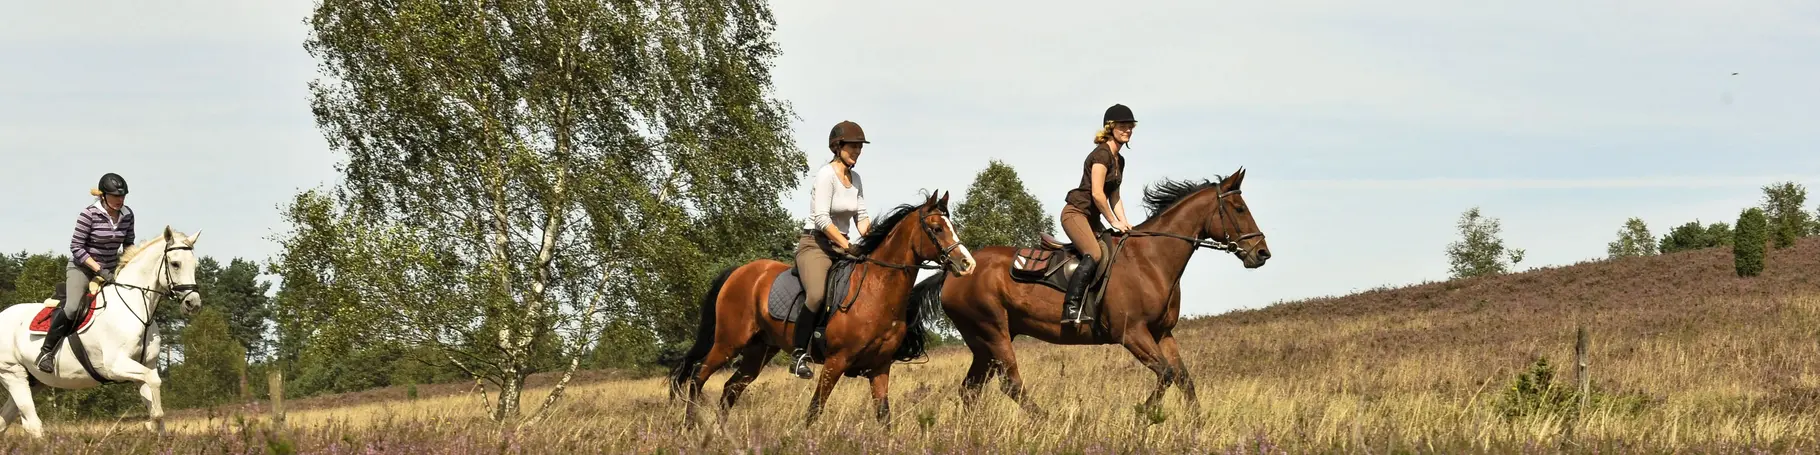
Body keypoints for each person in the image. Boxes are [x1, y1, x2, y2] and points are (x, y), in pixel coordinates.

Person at [789, 120, 872, 379]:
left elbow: (862, 217)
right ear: (837, 147)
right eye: (853, 146)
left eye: (860, 147)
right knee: (816, 294)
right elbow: (823, 220)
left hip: (842, 246)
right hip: (816, 245)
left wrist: (875, 239)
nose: (857, 151)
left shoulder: (856, 178)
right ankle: (799, 354)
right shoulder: (826, 175)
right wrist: (848, 245)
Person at [40, 173, 136, 373]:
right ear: (103, 196)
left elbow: (128, 245)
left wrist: (127, 267)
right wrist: (99, 269)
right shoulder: (89, 214)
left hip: (110, 270)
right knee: (73, 307)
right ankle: (46, 352)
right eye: (115, 196)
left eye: (123, 196)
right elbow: (76, 247)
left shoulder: (128, 215)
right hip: (82, 268)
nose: (120, 200)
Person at [1058, 104, 1137, 325]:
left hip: (1092, 218)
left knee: (1115, 251)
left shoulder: (1119, 160)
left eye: (1130, 126)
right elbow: (1097, 194)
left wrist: (1125, 223)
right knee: (1094, 253)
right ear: (1110, 128)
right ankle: (1071, 308)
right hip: (1075, 213)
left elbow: (1115, 197)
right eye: (1123, 126)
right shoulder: (1101, 154)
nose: (1128, 130)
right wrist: (1113, 221)